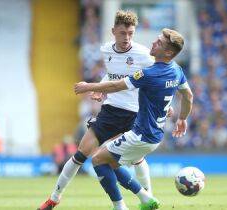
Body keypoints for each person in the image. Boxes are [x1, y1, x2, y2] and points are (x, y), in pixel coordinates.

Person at [38, 10, 155, 210]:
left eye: (130, 33)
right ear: (113, 31)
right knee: (80, 154)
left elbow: (159, 79)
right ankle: (54, 198)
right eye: (122, 33)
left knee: (132, 160)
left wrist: (163, 105)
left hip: (134, 113)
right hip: (110, 111)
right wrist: (102, 90)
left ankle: (147, 197)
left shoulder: (143, 54)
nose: (126, 38)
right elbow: (111, 75)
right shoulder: (107, 50)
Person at [74, 28, 193, 210]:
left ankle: (121, 206)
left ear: (168, 52)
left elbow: (116, 85)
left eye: (159, 43)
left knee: (97, 160)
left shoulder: (148, 74)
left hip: (140, 135)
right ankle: (145, 198)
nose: (154, 43)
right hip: (155, 137)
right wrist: (182, 118)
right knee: (111, 162)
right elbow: (188, 96)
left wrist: (88, 86)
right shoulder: (177, 70)